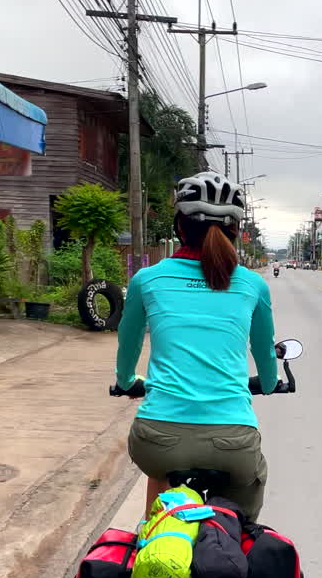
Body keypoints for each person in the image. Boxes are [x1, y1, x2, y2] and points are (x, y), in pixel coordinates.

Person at [115, 171, 279, 521]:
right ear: (236, 231)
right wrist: (267, 384)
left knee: (161, 469)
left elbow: (127, 347)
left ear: (179, 227)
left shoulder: (147, 278)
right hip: (233, 444)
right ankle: (235, 542)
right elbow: (266, 359)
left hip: (156, 441)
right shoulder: (252, 284)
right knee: (242, 514)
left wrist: (128, 381)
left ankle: (151, 541)